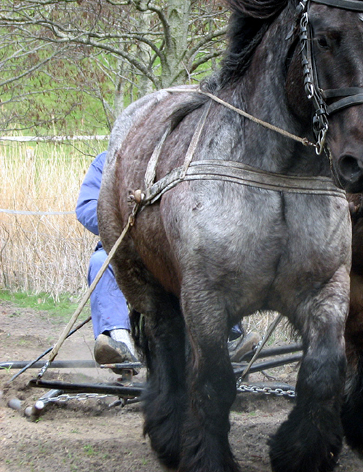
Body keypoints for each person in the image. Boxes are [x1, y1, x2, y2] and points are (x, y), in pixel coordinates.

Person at [76, 151, 258, 366]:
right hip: (128, 247)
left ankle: (227, 339)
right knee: (100, 262)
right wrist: (124, 218)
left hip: (176, 246)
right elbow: (86, 207)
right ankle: (119, 343)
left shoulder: (183, 151)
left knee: (214, 255)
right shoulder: (107, 161)